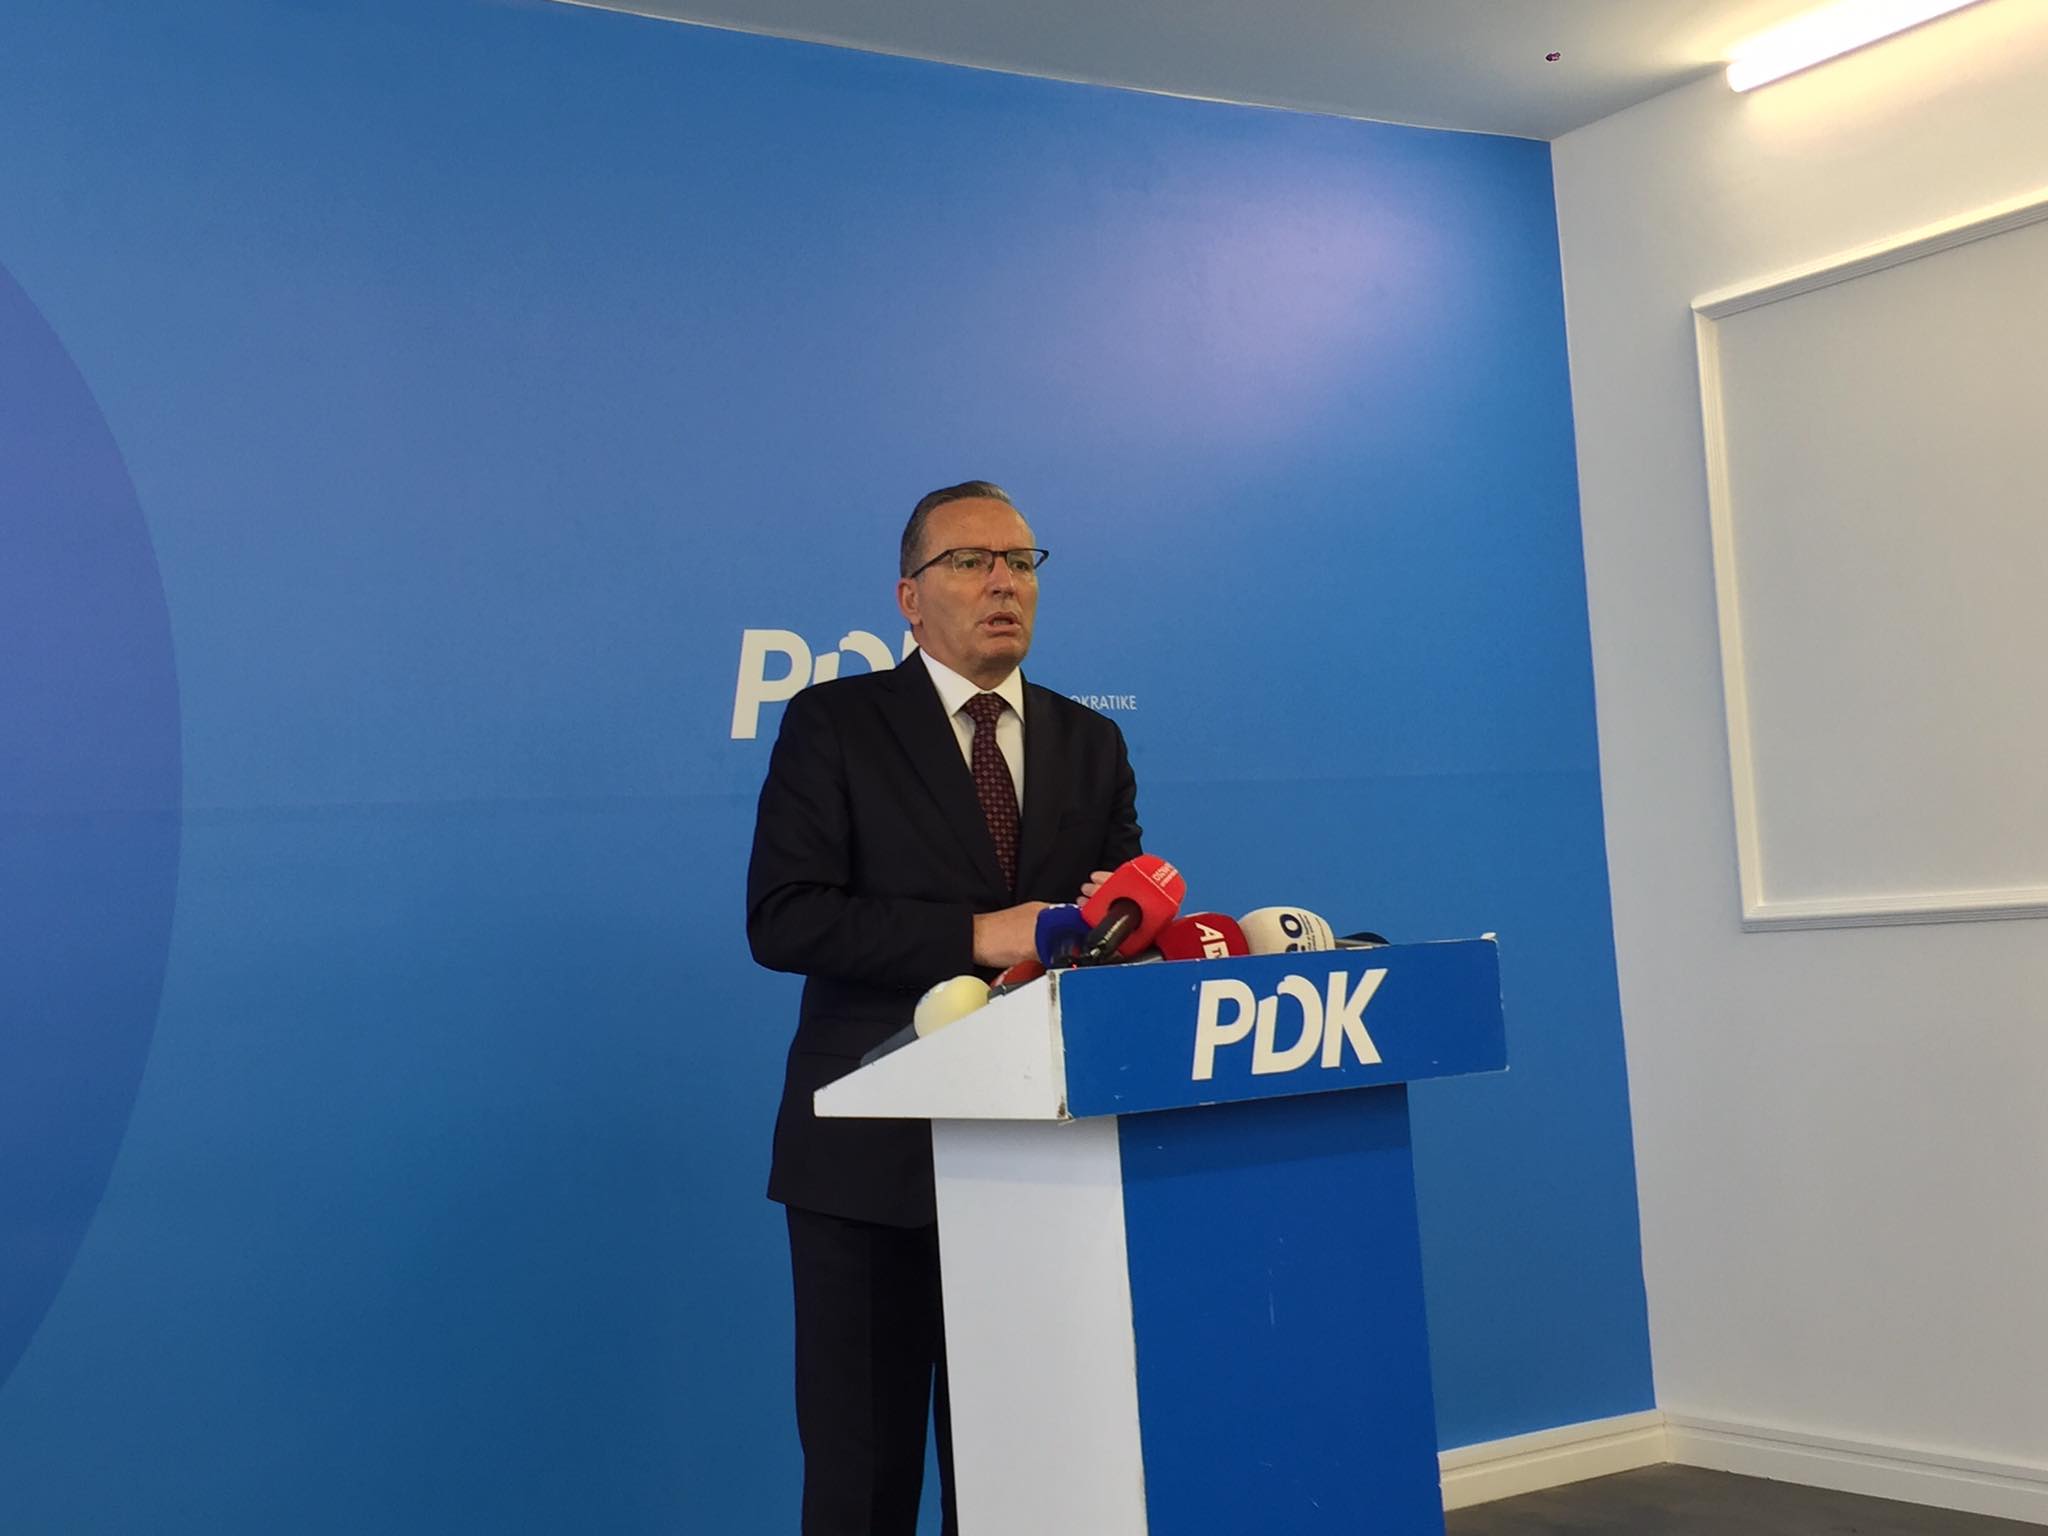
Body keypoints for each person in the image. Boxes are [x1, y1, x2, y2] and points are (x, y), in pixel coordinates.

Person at [746, 481, 1143, 1535]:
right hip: (869, 1165)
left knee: (1020, 1484)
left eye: (1020, 561)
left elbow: (1118, 927)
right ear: (909, 598)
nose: (1002, 582)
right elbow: (785, 920)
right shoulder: (834, 723)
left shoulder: (1089, 743)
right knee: (862, 1487)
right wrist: (976, 935)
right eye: (969, 561)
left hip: (1040, 1169)